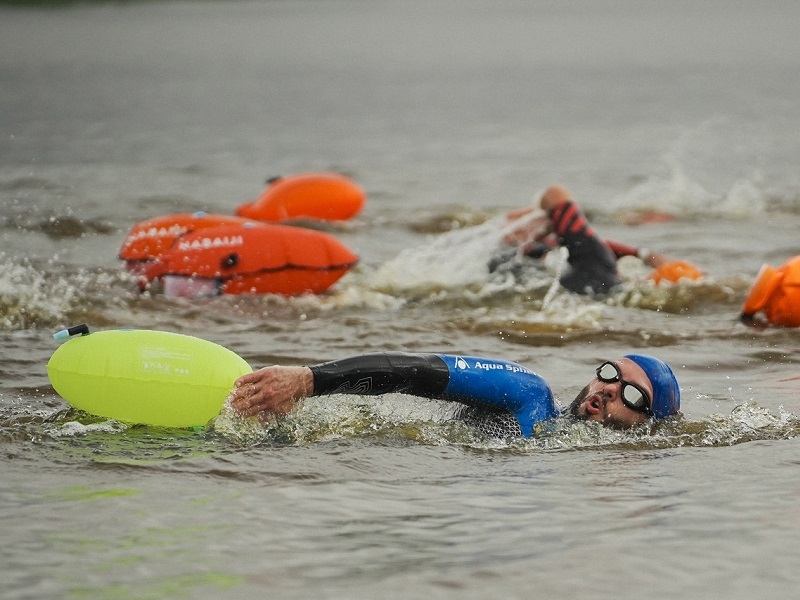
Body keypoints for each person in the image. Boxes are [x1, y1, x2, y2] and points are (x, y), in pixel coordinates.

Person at [229, 351, 681, 439]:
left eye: (633, 397)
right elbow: (419, 372)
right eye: (609, 374)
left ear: (651, 426)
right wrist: (308, 381)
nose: (606, 391)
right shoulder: (528, 396)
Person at [490, 184, 694, 295]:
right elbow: (556, 196)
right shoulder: (562, 249)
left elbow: (555, 196)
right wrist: (644, 254)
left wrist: (642, 254)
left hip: (578, 289)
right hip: (598, 287)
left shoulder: (502, 261)